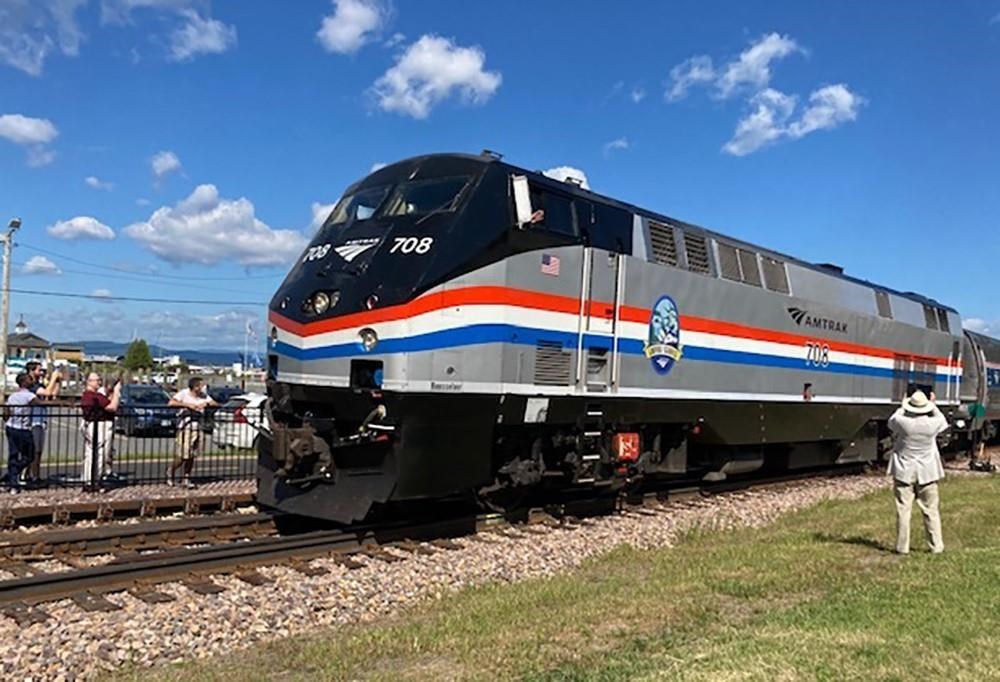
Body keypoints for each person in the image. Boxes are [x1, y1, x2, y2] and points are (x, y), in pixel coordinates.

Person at [887, 389, 949, 554]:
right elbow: (942, 419)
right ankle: (936, 546)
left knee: (903, 510)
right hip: (927, 472)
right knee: (931, 510)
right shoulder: (932, 424)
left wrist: (902, 405)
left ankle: (902, 547)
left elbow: (892, 419)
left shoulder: (903, 422)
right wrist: (933, 405)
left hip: (904, 472)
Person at [167, 377, 217, 488]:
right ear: (194, 387)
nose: (202, 388)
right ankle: (171, 471)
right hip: (186, 427)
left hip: (197, 427)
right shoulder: (183, 394)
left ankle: (186, 477)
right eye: (200, 386)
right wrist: (187, 405)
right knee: (183, 455)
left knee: (192, 455)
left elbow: (214, 403)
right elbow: (171, 403)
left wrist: (206, 404)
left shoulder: (203, 396)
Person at [80, 372, 121, 490]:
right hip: (97, 426)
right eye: (97, 380)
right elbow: (112, 407)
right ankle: (94, 480)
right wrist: (117, 391)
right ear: (89, 382)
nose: (99, 382)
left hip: (92, 425)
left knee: (91, 454)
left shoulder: (92, 395)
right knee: (99, 454)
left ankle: (89, 480)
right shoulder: (93, 396)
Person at [24, 361, 61, 485]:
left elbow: (51, 396)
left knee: (38, 451)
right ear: (31, 371)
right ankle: (30, 476)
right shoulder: (30, 384)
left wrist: (57, 382)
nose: (41, 373)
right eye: (39, 370)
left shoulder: (39, 384)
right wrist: (53, 378)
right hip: (32, 421)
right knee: (33, 450)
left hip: (41, 420)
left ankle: (35, 475)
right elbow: (46, 393)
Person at [5, 373, 37, 493]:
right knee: (30, 455)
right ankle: (13, 473)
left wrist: (8, 417)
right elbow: (40, 403)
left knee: (13, 454)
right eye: (29, 379)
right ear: (24, 382)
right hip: (23, 429)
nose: (31, 380)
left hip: (11, 427)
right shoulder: (29, 396)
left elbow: (6, 412)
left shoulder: (12, 396)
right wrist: (61, 403)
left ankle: (12, 479)